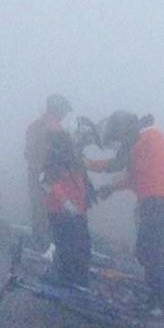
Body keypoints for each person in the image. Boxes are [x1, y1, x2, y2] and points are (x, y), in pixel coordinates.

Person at [89, 109, 164, 316]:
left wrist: (86, 164)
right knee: (150, 250)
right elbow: (134, 176)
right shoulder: (147, 138)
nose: (120, 143)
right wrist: (111, 189)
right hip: (161, 200)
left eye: (119, 137)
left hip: (157, 201)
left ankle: (162, 303)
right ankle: (158, 298)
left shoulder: (147, 138)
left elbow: (117, 164)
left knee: (150, 251)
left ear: (125, 129)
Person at [39, 121, 94, 289]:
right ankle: (68, 282)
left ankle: (76, 282)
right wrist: (67, 204)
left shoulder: (73, 158)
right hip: (62, 212)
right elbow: (51, 182)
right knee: (68, 249)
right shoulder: (57, 158)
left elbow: (80, 183)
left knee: (80, 248)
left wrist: (86, 200)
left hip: (75, 212)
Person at [24, 94, 72, 243]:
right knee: (45, 213)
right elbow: (35, 155)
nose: (64, 115)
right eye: (63, 111)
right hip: (46, 178)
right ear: (57, 110)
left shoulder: (37, 126)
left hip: (44, 176)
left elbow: (29, 153)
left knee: (43, 213)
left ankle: (42, 245)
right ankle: (43, 249)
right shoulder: (51, 128)